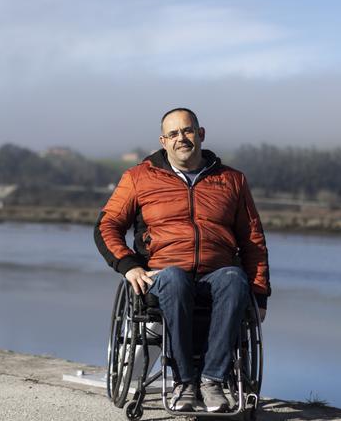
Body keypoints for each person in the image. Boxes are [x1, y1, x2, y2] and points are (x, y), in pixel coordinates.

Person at [94, 107, 270, 413]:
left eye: (187, 131)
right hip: (163, 275)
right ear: (163, 141)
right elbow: (106, 226)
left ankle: (212, 380)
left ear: (200, 134)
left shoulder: (233, 180)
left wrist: (259, 292)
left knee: (234, 279)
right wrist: (128, 265)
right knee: (175, 279)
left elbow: (253, 240)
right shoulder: (138, 177)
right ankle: (184, 382)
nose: (181, 138)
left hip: (218, 274)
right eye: (173, 134)